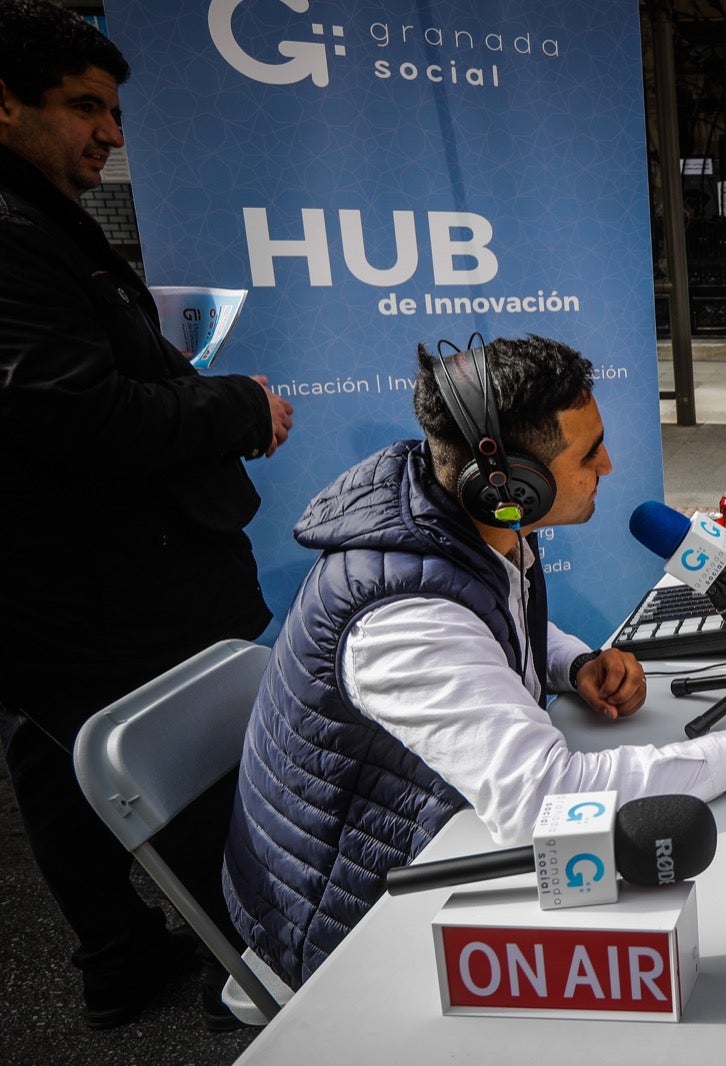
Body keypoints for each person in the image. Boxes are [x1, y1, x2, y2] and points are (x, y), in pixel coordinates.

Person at [223, 335, 726, 989]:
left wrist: (571, 663)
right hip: (352, 927)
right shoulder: (405, 619)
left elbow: (485, 617)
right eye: (589, 453)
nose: (610, 466)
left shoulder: (454, 509)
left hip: (425, 843)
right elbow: (544, 804)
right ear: (510, 483)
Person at [0, 0, 294, 1030]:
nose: (110, 133)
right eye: (84, 107)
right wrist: (236, 405)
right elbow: (67, 410)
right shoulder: (10, 232)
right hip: (99, 586)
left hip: (83, 578)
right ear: (4, 103)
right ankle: (258, 959)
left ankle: (120, 956)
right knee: (187, 758)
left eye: (113, 110)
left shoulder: (40, 217)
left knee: (58, 754)